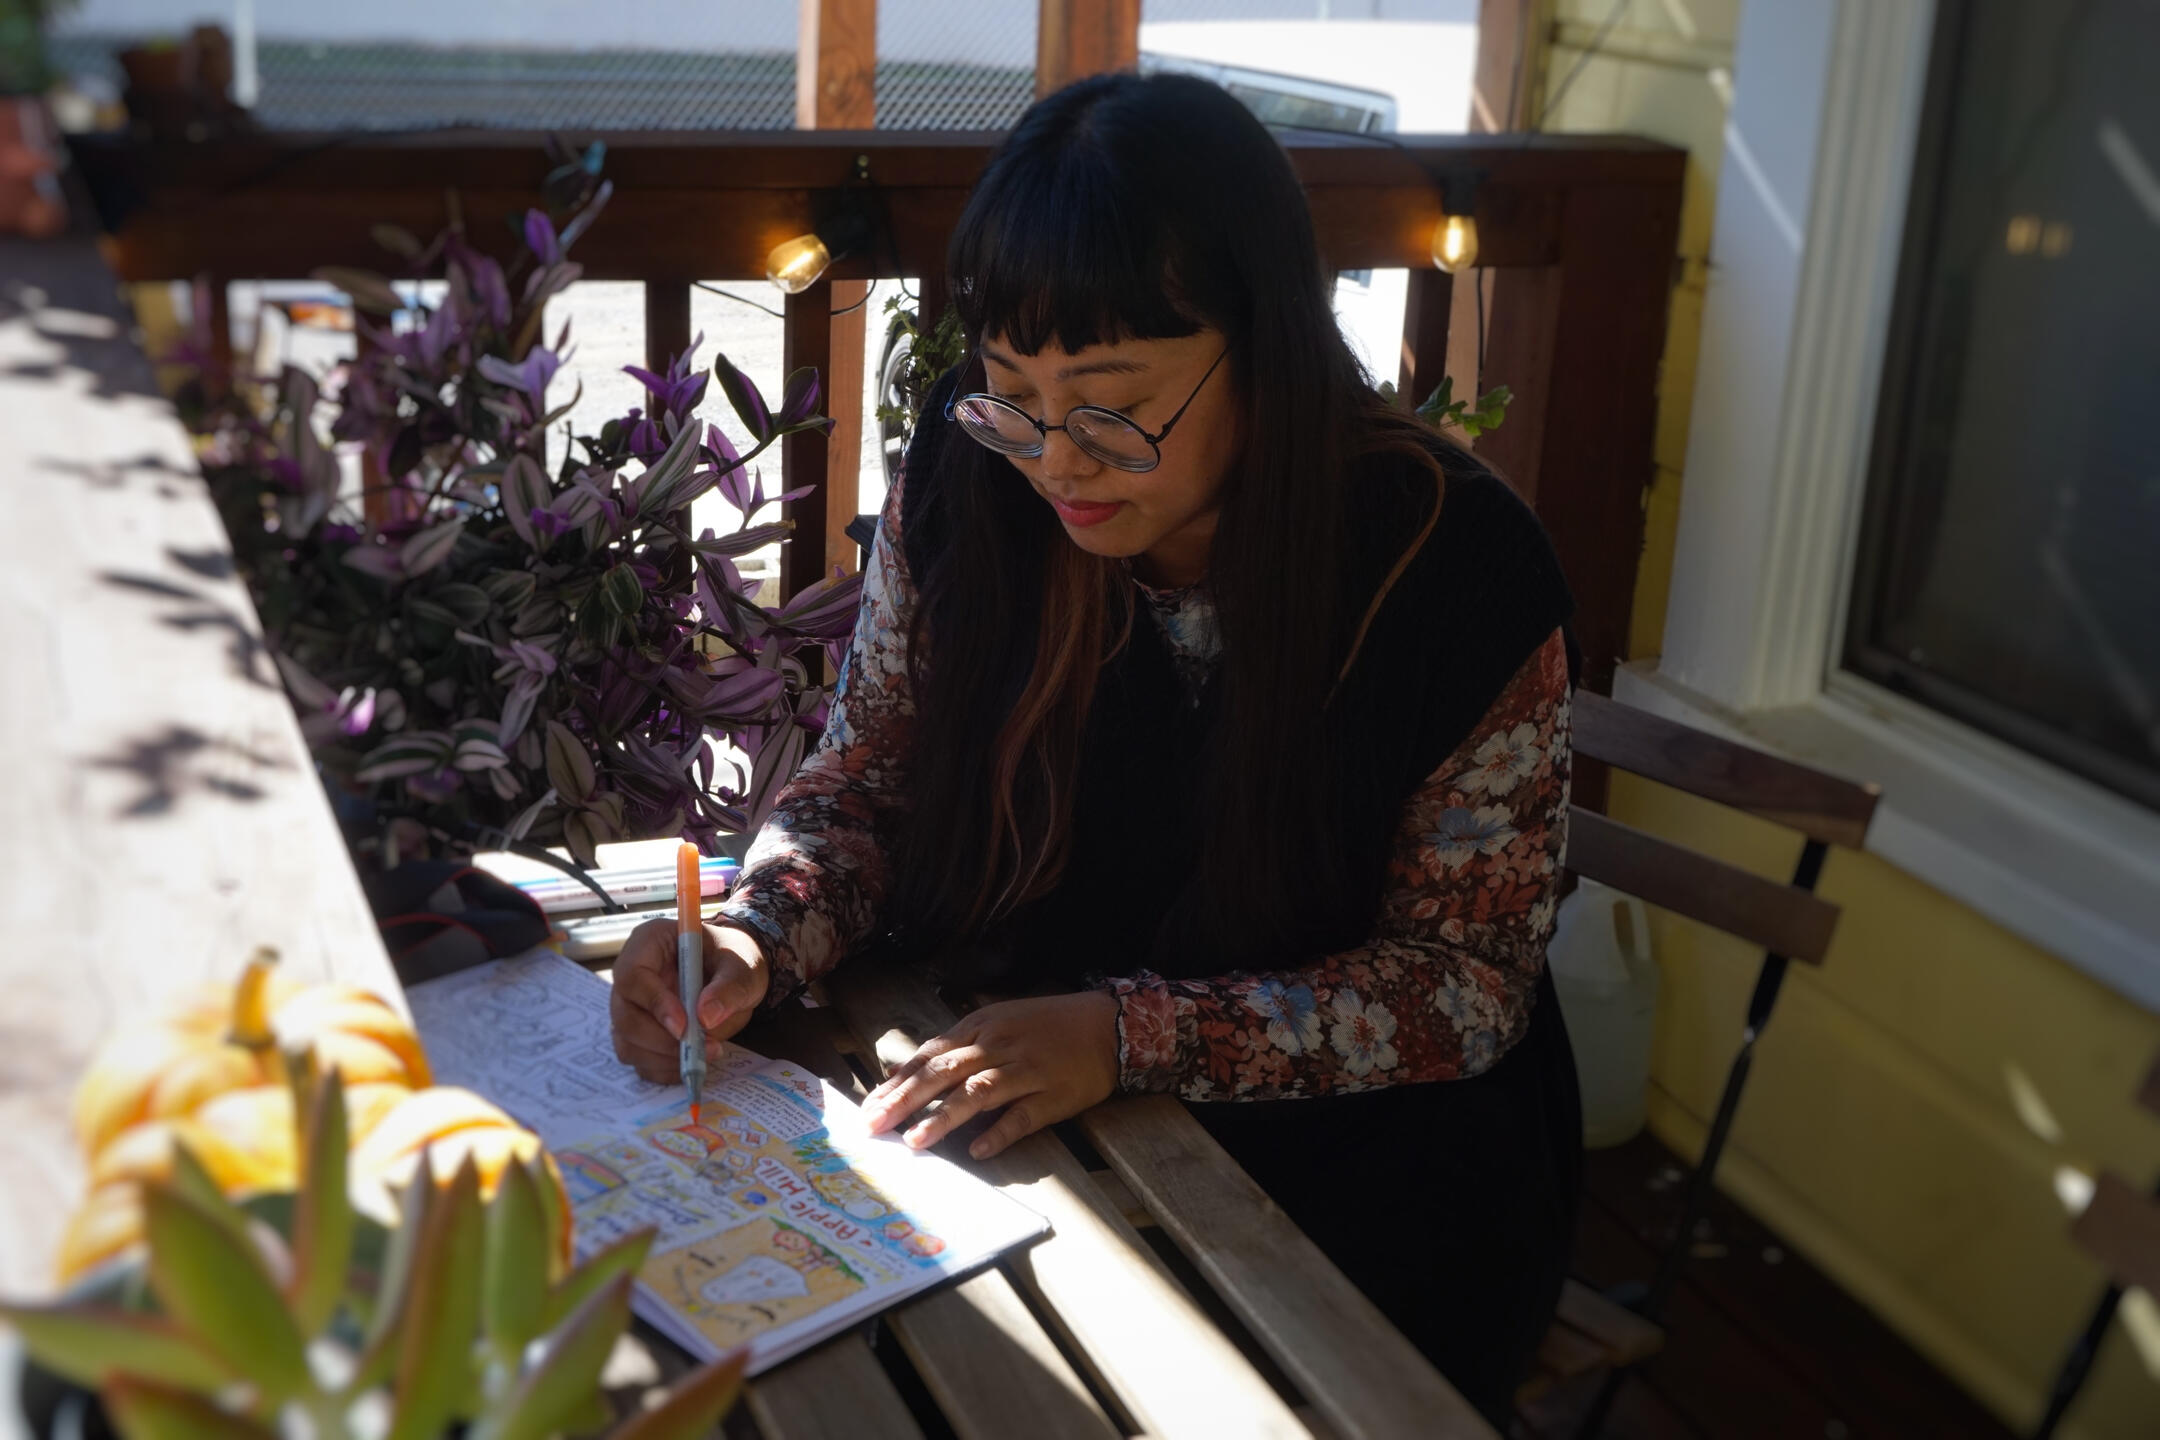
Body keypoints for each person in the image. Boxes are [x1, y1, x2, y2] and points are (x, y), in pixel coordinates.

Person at [610, 71, 1581, 1416]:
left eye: (1114, 406)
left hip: (1364, 1179)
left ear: (1270, 347)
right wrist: (756, 932)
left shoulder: (1455, 570)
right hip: (1037, 1109)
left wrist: (1130, 1038)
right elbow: (872, 781)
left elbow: (1465, 983)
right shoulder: (971, 481)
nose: (1056, 462)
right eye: (1010, 392)